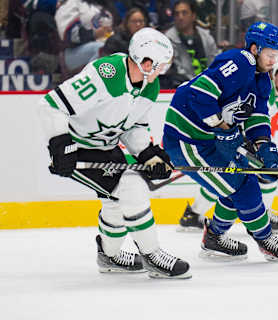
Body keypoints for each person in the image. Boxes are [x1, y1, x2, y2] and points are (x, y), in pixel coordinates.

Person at [37, 27, 191, 279]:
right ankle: (152, 254)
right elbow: (50, 106)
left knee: (115, 201)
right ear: (147, 62)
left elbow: (133, 128)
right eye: (161, 65)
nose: (164, 70)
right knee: (131, 188)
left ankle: (109, 256)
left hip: (106, 147)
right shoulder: (106, 74)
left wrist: (148, 154)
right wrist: (61, 146)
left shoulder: (150, 86)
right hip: (80, 146)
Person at [163, 21, 278, 262]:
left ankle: (214, 237)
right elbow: (200, 93)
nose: (273, 61)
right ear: (255, 48)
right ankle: (265, 239)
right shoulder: (241, 61)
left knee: (238, 184)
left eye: (277, 55)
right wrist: (223, 128)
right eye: (270, 54)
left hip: (209, 140)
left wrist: (267, 151)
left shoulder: (262, 79)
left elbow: (257, 118)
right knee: (244, 185)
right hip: (187, 138)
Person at [177, 53, 278, 234]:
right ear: (272, 73)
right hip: (220, 136)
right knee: (261, 176)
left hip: (225, 137)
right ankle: (261, 218)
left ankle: (193, 214)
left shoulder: (271, 95)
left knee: (224, 178)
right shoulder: (258, 89)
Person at [163, 0, 218, 88]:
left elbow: (215, 62)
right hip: (182, 87)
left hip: (209, 85)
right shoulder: (167, 39)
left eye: (184, 13)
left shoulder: (206, 37)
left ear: (193, 16)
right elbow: (175, 70)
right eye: (177, 14)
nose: (180, 17)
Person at [55, 0, 118, 72]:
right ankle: (93, 81)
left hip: (104, 45)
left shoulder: (106, 6)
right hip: (73, 52)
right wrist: (94, 34)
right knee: (102, 48)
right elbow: (68, 36)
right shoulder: (71, 3)